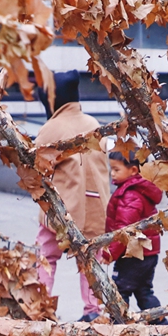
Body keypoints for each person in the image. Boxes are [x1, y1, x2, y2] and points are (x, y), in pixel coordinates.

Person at [33, 71, 110, 322]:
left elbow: (37, 168)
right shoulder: (93, 124)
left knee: (46, 256)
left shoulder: (50, 128)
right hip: (96, 205)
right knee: (90, 259)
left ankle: (40, 306)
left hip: (61, 209)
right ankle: (92, 311)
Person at [102, 151, 162, 311]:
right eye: (111, 169)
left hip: (133, 255)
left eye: (116, 169)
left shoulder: (130, 195)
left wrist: (110, 253)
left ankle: (118, 326)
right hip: (147, 253)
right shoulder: (139, 190)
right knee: (144, 291)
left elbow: (124, 230)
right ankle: (160, 324)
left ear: (133, 170)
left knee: (119, 291)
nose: (112, 174)